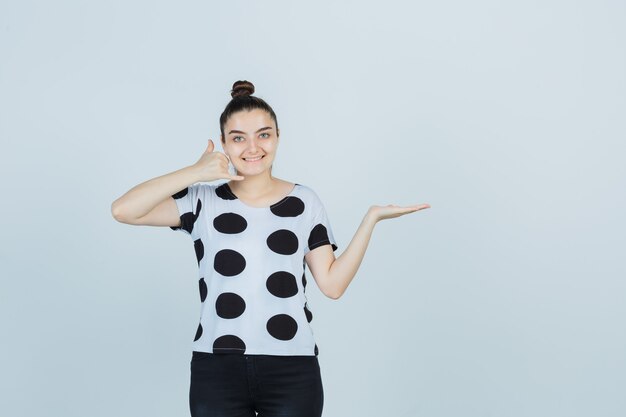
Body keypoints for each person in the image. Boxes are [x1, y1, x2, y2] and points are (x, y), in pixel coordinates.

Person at [111, 80, 430, 417]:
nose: (252, 147)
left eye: (263, 134)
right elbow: (124, 210)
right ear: (223, 143)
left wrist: (371, 219)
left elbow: (333, 286)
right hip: (216, 369)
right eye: (238, 138)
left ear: (278, 136)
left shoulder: (304, 202)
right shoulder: (202, 201)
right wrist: (194, 173)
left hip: (292, 370)